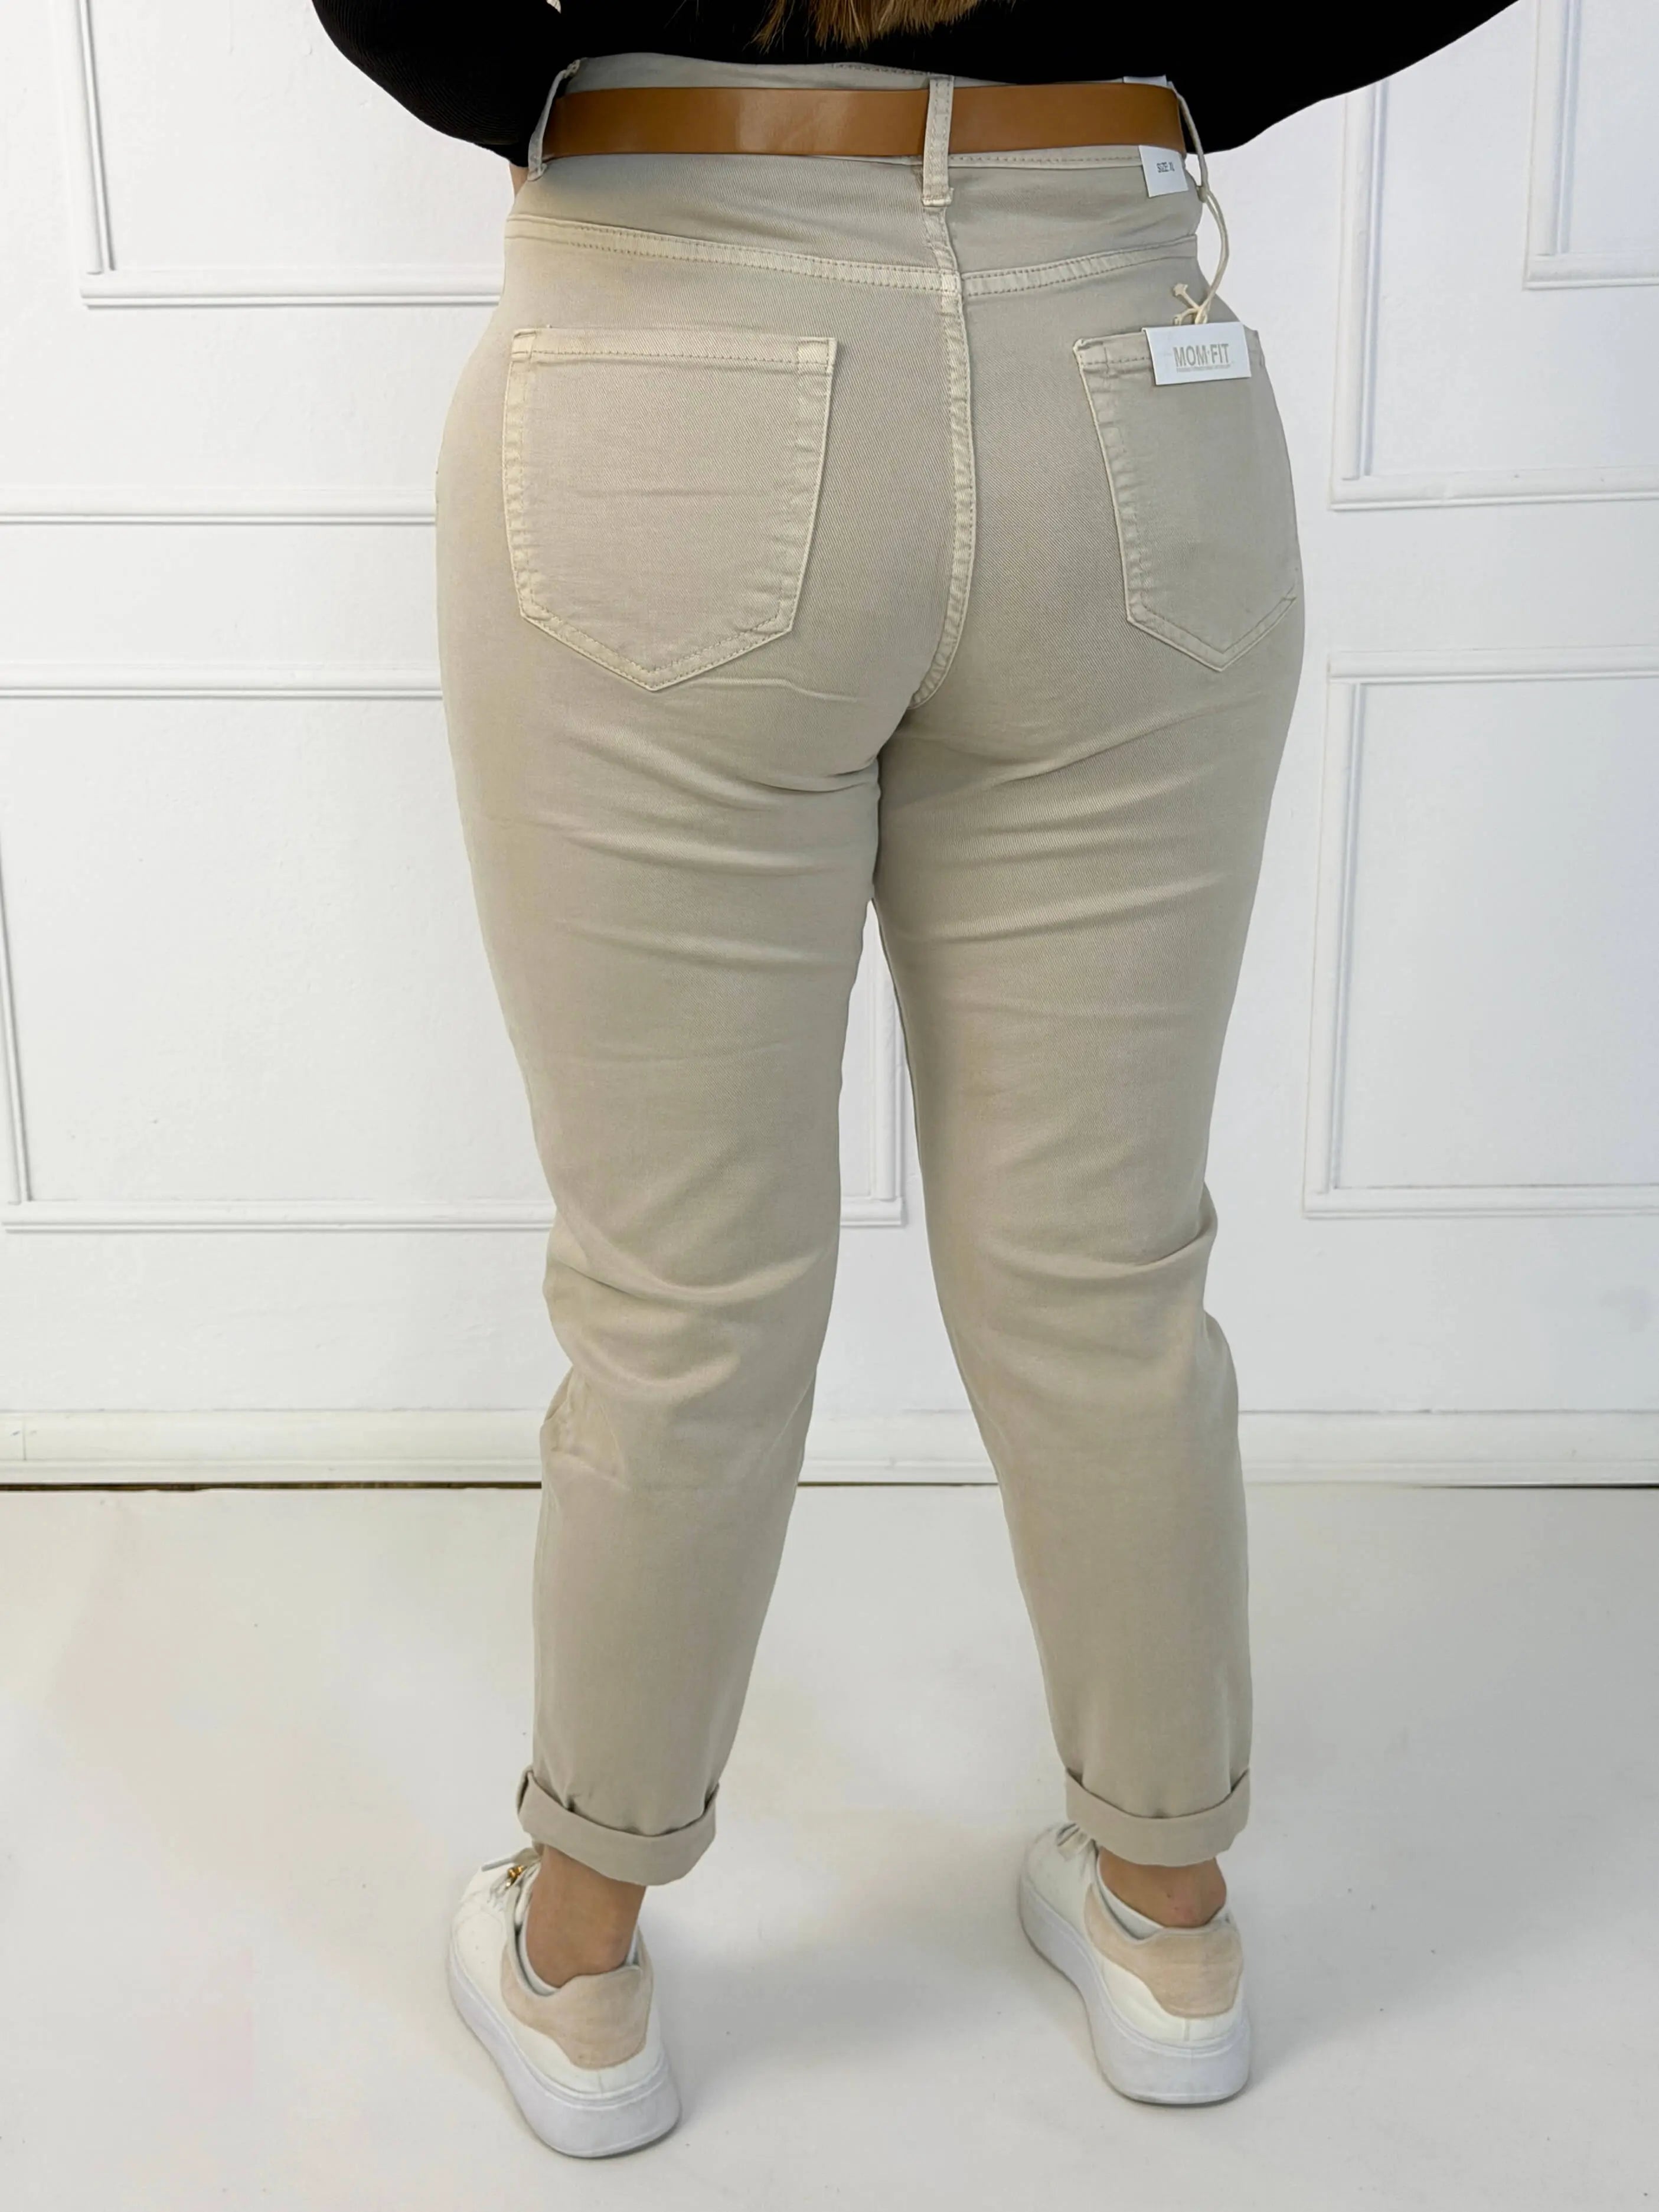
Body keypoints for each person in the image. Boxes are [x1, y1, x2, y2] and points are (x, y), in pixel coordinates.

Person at [315, 0, 1515, 2159]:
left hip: (667, 316)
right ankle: (1165, 1912)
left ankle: (579, 1956)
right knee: (1104, 1265)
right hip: (1115, 355)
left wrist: (562, 65)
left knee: (682, 1291)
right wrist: (1152, 55)